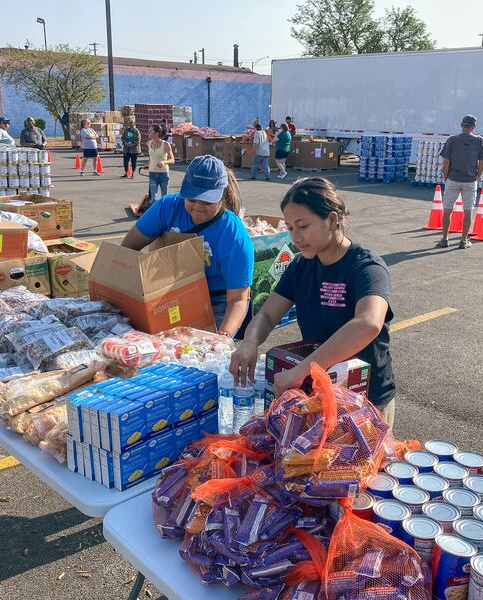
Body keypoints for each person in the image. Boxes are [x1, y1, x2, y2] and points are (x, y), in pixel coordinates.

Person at [229, 178, 396, 427]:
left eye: (303, 226)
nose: (296, 237)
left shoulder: (365, 266)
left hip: (364, 399)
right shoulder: (301, 265)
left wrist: (301, 370)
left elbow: (368, 323)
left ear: (331, 219)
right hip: (319, 392)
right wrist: (250, 343)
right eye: (289, 227)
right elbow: (267, 315)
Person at [122, 155, 253, 336]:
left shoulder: (233, 234)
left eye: (207, 201)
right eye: (192, 198)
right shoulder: (167, 207)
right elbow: (126, 249)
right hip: (168, 295)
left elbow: (238, 299)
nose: (198, 206)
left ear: (222, 195)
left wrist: (223, 336)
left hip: (216, 300)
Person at [437, 114, 483, 249]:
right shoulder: (480, 141)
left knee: (447, 210)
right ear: (474, 126)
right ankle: (463, 240)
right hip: (470, 180)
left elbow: (446, 162)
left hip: (453, 178)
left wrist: (446, 176)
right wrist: (478, 176)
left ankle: (444, 239)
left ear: (461, 125)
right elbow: (482, 162)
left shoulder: (452, 140)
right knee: (468, 211)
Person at [147, 124, 174, 200]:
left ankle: (164, 211)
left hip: (163, 174)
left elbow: (172, 159)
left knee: (164, 198)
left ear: (157, 133)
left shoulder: (165, 144)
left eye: (151, 131)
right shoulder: (150, 143)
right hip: (152, 173)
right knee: (153, 198)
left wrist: (163, 162)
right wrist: (147, 164)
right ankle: (156, 211)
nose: (148, 132)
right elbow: (151, 157)